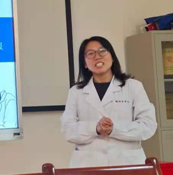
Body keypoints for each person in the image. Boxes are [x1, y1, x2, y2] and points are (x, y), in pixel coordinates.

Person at [61, 36, 157, 167]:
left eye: (102, 51)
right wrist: (95, 128)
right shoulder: (76, 92)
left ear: (112, 57)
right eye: (90, 53)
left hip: (127, 163)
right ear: (85, 63)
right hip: (88, 163)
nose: (97, 56)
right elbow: (68, 130)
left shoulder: (133, 86)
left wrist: (114, 129)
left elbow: (148, 126)